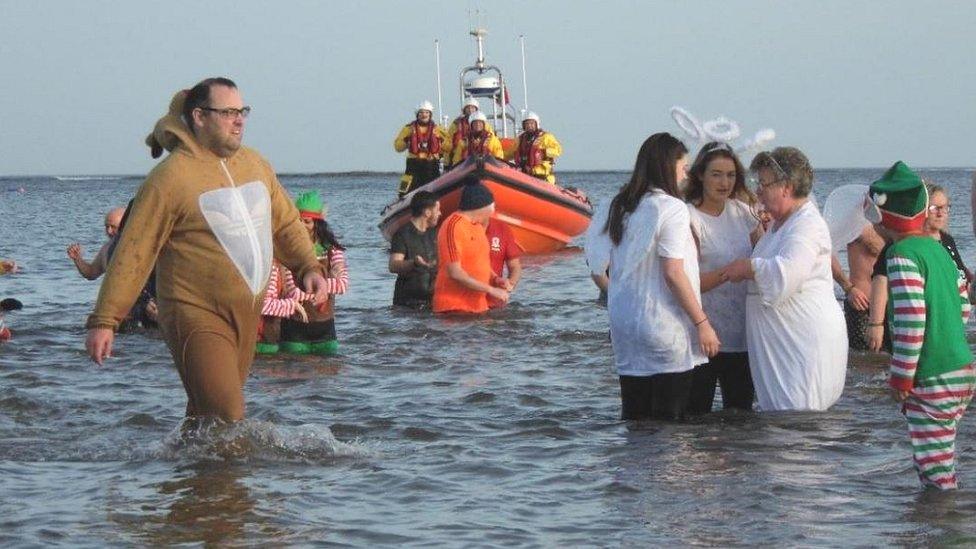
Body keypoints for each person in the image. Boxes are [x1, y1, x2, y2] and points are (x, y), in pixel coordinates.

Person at [84, 78, 329, 423]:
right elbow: (133, 253)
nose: (239, 120)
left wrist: (308, 267)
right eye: (227, 112)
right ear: (199, 117)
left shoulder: (256, 165)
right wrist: (105, 320)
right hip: (194, 313)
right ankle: (228, 476)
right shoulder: (170, 178)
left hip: (246, 314)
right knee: (228, 415)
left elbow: (285, 223)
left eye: (242, 111)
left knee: (206, 417)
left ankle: (185, 473)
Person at [585, 132, 719, 421]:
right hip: (663, 324)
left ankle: (634, 467)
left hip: (625, 326)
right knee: (670, 423)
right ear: (667, 167)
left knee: (635, 418)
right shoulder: (671, 208)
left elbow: (595, 265)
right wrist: (702, 323)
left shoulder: (618, 204)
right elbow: (673, 272)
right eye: (683, 167)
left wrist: (616, 296)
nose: (686, 174)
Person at [865, 161, 974, 490]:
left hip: (931, 375)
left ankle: (948, 533)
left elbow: (912, 320)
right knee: (942, 455)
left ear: (886, 217)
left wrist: (901, 377)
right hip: (960, 368)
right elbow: (964, 304)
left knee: (933, 468)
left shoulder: (901, 254)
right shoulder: (939, 249)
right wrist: (946, 332)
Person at [724, 147, 847, 411]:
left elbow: (787, 275)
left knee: (798, 426)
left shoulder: (806, 225)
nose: (758, 191)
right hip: (782, 347)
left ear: (787, 187)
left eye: (764, 184)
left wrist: (749, 267)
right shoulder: (781, 225)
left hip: (800, 346)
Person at [684, 141, 762, 414]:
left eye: (730, 175)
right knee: (697, 417)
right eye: (716, 174)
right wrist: (731, 272)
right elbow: (688, 282)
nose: (724, 182)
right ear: (700, 175)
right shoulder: (688, 217)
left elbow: (762, 259)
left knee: (741, 416)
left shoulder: (743, 213)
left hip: (743, 332)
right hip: (704, 334)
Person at [866, 181, 972, 353]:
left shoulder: (947, 240)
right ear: (921, 210)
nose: (941, 213)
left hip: (946, 325)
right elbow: (880, 280)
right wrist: (876, 324)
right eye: (934, 208)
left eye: (945, 208)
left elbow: (958, 270)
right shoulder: (903, 245)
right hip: (913, 325)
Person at [279, 191, 348, 355]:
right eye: (298, 221)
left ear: (317, 223)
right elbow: (292, 291)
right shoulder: (287, 250)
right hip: (294, 327)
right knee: (296, 376)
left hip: (325, 326)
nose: (302, 226)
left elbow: (343, 285)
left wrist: (309, 287)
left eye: (307, 222)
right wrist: (326, 283)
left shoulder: (332, 249)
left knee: (328, 375)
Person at [433, 179, 510, 314]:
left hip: (478, 306)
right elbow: (455, 273)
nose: (492, 213)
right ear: (482, 207)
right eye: (492, 208)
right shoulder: (453, 225)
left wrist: (495, 279)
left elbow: (479, 262)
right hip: (454, 308)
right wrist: (491, 290)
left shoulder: (477, 226)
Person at [830, 223, 885, 351]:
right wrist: (848, 288)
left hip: (893, 306)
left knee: (892, 362)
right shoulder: (854, 219)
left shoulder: (897, 218)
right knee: (860, 362)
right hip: (861, 304)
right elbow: (824, 250)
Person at [389, 191, 441, 308]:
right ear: (427, 212)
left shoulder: (435, 234)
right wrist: (414, 263)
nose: (440, 213)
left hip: (431, 302)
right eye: (437, 210)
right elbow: (393, 265)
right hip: (407, 304)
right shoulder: (402, 234)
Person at [393, 101, 445, 198]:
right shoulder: (408, 128)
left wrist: (441, 141)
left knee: (433, 188)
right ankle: (402, 201)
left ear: (430, 114)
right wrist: (406, 141)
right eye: (421, 112)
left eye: (426, 112)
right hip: (414, 163)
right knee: (406, 186)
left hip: (431, 164)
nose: (424, 115)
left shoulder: (438, 129)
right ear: (417, 114)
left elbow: (449, 146)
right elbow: (397, 146)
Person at [256, 261, 309, 355]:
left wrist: (317, 292)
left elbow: (293, 293)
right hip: (260, 341)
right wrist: (292, 304)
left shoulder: (283, 264)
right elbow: (263, 305)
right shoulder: (270, 266)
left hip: (273, 339)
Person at [66, 207, 125, 280]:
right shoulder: (107, 249)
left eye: (113, 227)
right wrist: (77, 258)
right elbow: (91, 273)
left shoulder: (140, 247)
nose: (109, 231)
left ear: (125, 226)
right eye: (107, 227)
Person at [513, 112, 562, 184]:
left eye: (531, 123)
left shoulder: (546, 137)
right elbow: (510, 152)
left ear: (536, 124)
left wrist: (544, 152)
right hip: (525, 175)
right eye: (527, 124)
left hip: (543, 176)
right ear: (524, 125)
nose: (529, 126)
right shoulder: (520, 139)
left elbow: (558, 150)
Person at [443, 98, 491, 169]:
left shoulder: (486, 127)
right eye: (468, 108)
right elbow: (449, 141)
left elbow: (493, 142)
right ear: (464, 110)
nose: (470, 110)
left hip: (483, 159)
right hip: (462, 157)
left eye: (472, 108)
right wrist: (447, 163)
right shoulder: (456, 124)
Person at [485, 218, 523, 309]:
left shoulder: (501, 228)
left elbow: (515, 267)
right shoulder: (462, 228)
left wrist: (510, 285)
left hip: (494, 303)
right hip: (465, 302)